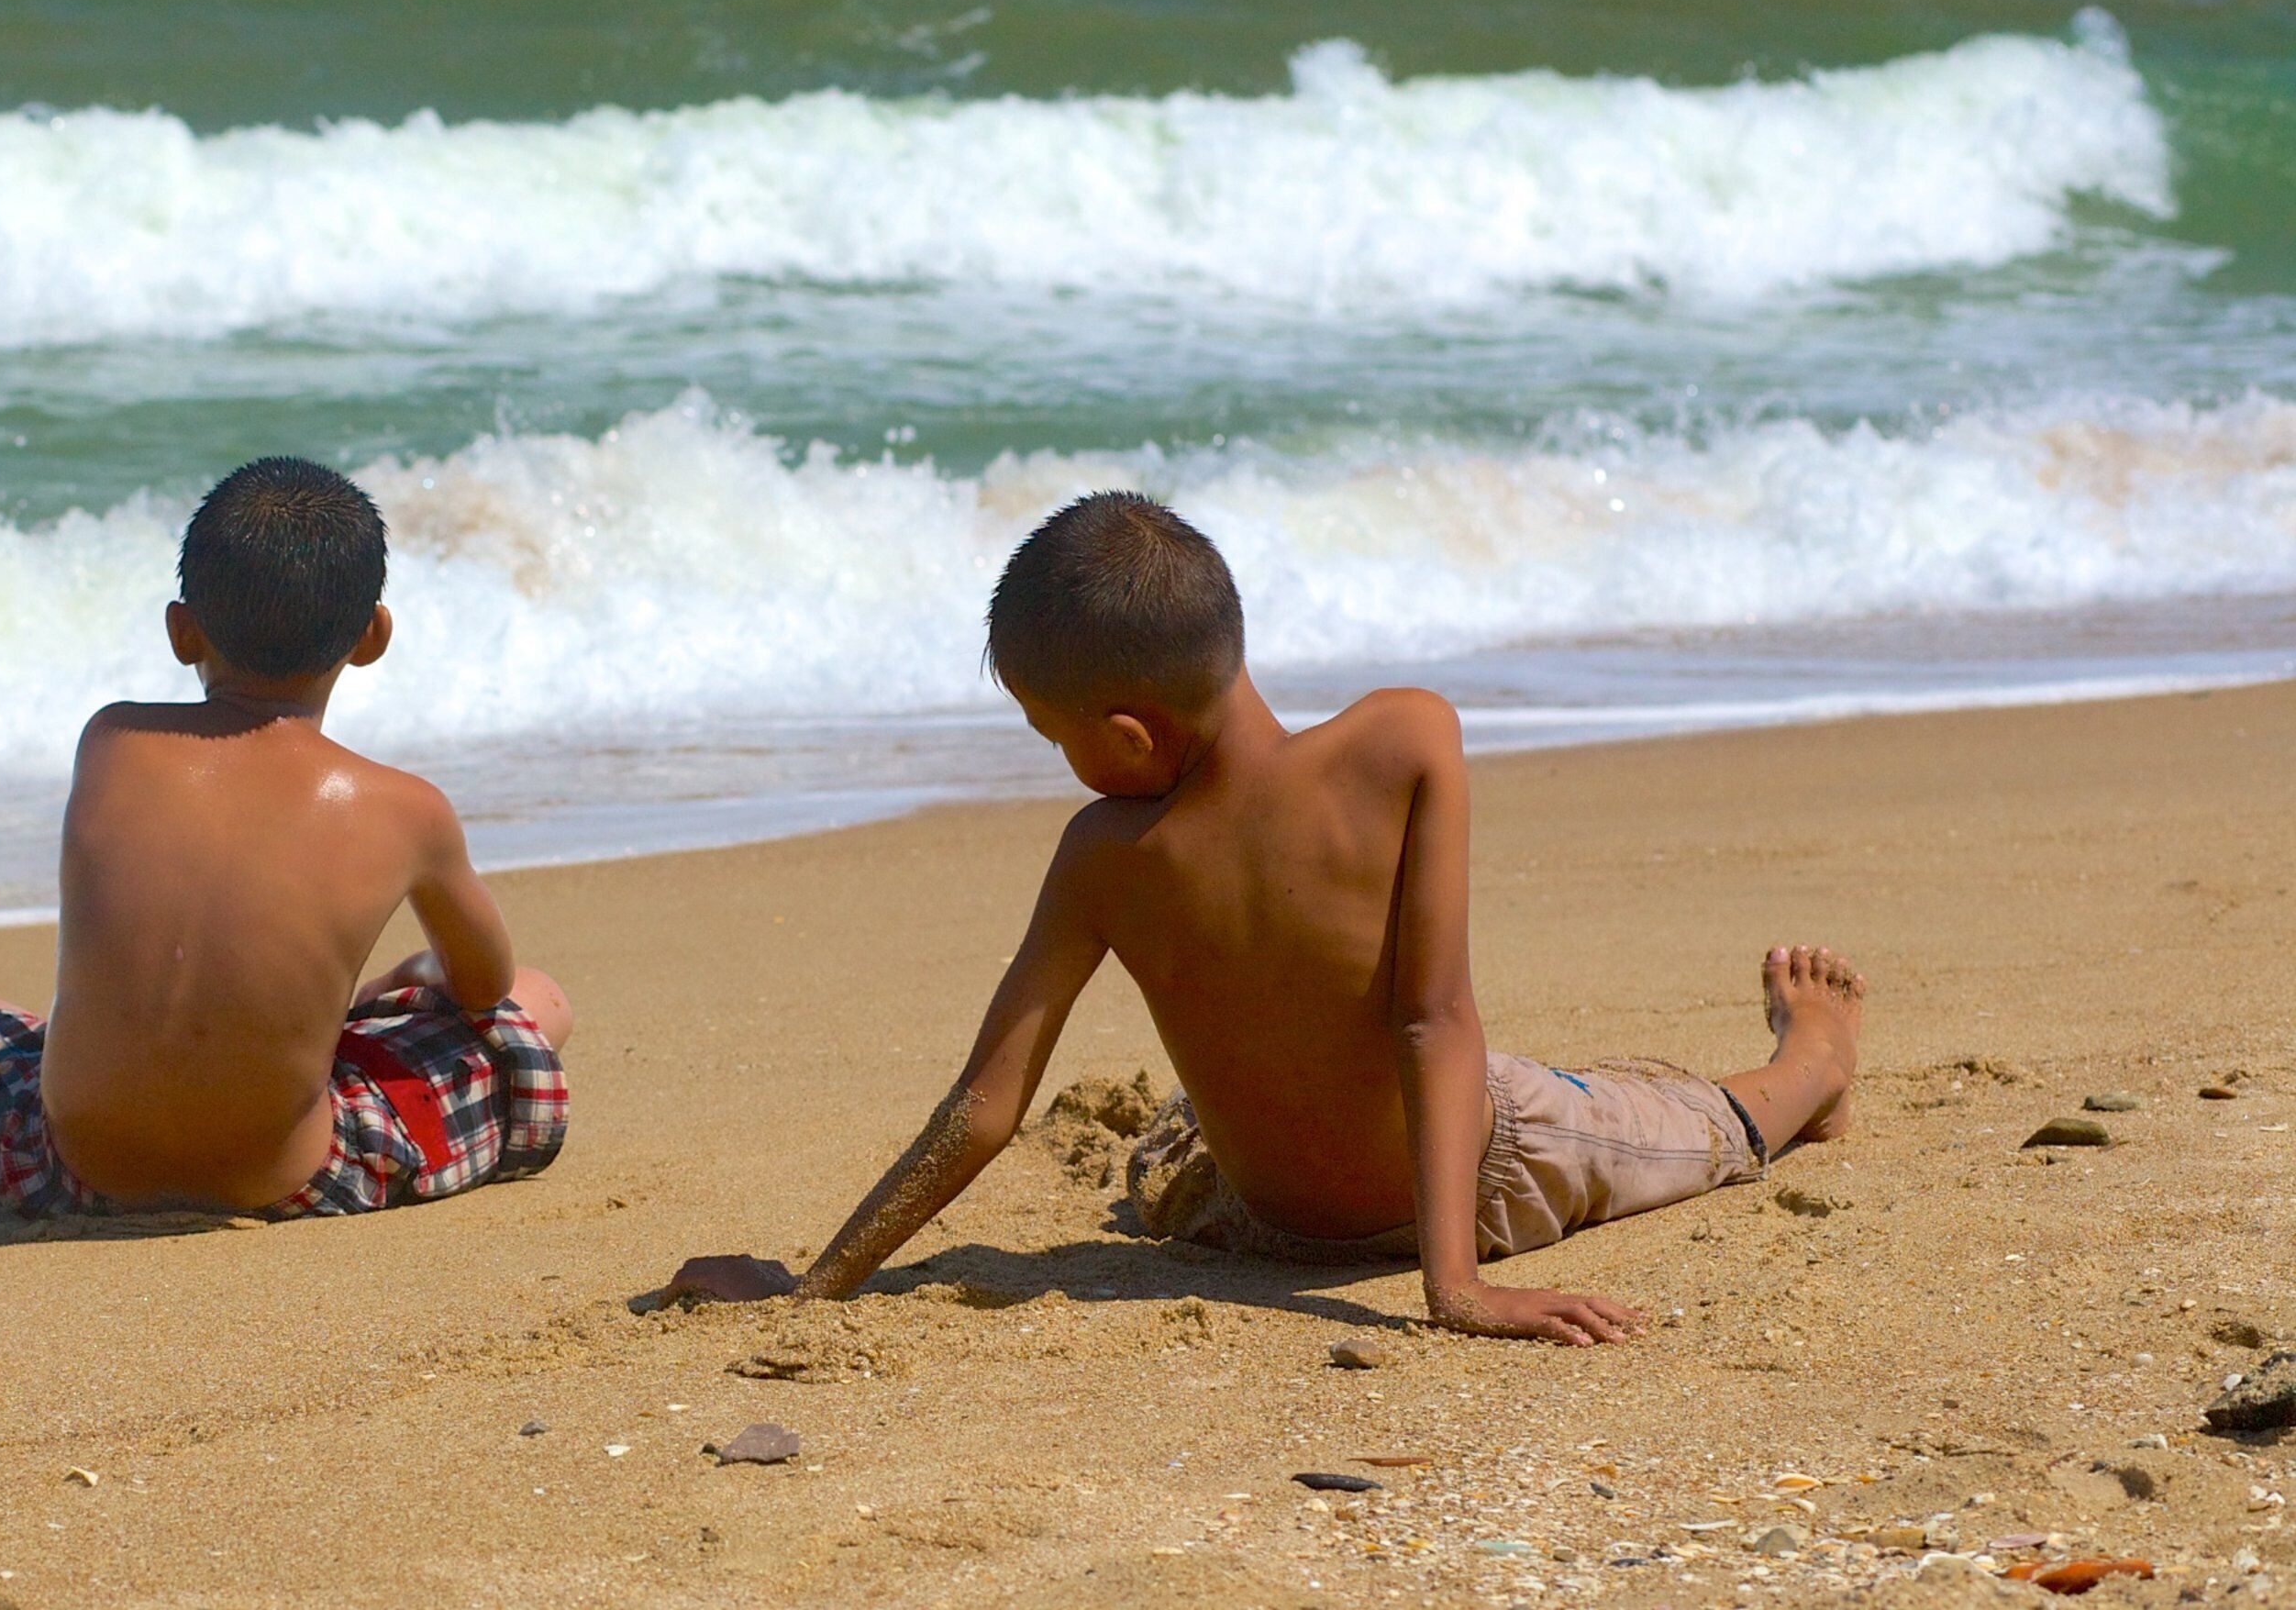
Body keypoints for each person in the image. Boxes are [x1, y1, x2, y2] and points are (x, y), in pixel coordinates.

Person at [664, 493, 1862, 1343]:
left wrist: (819, 1285)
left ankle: (1813, 1062)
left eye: (1055, 735)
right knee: (1587, 1114)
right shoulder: (1407, 739)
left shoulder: (1107, 858)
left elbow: (983, 1106)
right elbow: (1427, 1021)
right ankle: (1788, 1059)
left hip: (1327, 1196)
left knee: (1709, 1127)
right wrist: (1456, 1282)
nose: (1060, 764)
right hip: (1424, 1185)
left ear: (1131, 735)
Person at [0, 457, 571, 1219]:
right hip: (287, 1177)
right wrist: (422, 968)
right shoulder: (407, 810)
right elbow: (486, 986)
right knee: (538, 1000)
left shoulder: (109, 741)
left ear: (181, 629)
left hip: (69, 1171)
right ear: (373, 636)